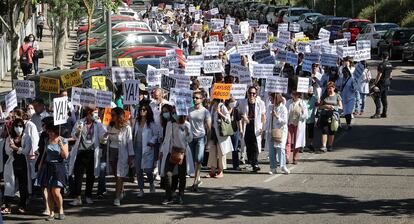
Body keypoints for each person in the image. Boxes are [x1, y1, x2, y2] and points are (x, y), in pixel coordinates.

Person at [69, 107, 106, 206]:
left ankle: (88, 196)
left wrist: (106, 134)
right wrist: (78, 131)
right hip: (81, 152)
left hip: (92, 152)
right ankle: (77, 197)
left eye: (96, 113)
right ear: (89, 113)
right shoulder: (80, 122)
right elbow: (73, 136)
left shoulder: (98, 124)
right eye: (94, 112)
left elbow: (102, 138)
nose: (96, 115)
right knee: (78, 175)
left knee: (91, 175)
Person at [160, 112, 194, 205]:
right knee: (167, 173)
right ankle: (169, 195)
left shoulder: (186, 124)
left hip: (182, 153)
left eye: (176, 113)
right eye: (173, 113)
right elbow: (166, 138)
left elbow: (190, 139)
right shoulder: (170, 124)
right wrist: (162, 150)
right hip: (170, 152)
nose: (174, 114)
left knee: (182, 175)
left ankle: (180, 195)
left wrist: (187, 132)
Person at [37, 123, 69, 221]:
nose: (49, 133)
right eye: (48, 131)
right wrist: (40, 164)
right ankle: (51, 213)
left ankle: (61, 210)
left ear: (55, 132)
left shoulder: (63, 140)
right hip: (47, 166)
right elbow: (44, 153)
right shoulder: (47, 140)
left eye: (51, 132)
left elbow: (65, 156)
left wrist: (61, 146)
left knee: (56, 191)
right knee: (50, 191)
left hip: (58, 167)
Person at [2, 119, 32, 214]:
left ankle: (22, 205)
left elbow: (26, 151)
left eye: (20, 126)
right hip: (12, 164)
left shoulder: (27, 137)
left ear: (23, 127)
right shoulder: (9, 138)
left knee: (23, 186)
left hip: (23, 164)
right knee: (9, 185)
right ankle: (8, 206)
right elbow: (7, 152)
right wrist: (10, 146)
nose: (18, 128)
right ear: (13, 127)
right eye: (16, 126)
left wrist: (16, 148)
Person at [106, 107, 134, 206]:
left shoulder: (127, 128)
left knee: (119, 175)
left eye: (113, 115)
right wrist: (105, 136)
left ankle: (117, 197)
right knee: (115, 174)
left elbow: (130, 143)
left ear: (119, 116)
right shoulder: (110, 126)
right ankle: (121, 190)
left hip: (122, 153)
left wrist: (131, 156)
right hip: (112, 152)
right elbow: (105, 139)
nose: (111, 116)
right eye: (111, 114)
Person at [132, 104, 158, 197]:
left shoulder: (151, 123)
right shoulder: (136, 121)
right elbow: (133, 134)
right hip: (137, 148)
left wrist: (151, 142)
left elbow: (156, 134)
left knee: (147, 170)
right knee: (138, 170)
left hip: (147, 148)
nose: (142, 111)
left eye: (144, 110)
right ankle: (141, 189)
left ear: (148, 111)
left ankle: (151, 183)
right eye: (141, 109)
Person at [238, 86, 266, 172]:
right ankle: (251, 162)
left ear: (256, 94)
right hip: (247, 124)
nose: (251, 95)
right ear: (247, 93)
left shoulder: (260, 103)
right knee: (248, 144)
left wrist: (263, 128)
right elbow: (238, 114)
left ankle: (255, 163)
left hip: (257, 125)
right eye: (250, 93)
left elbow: (263, 116)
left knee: (255, 145)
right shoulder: (242, 102)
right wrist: (243, 117)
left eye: (253, 93)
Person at [188, 91, 211, 191]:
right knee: (193, 160)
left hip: (201, 138)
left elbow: (209, 128)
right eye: (193, 98)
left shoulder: (205, 111)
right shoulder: (189, 110)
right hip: (191, 138)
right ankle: (198, 177)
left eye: (197, 98)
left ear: (202, 99)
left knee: (198, 159)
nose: (194, 99)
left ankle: (195, 182)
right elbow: (186, 123)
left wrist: (209, 142)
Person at [265, 93, 290, 175]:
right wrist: (265, 129)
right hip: (271, 131)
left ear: (276, 99)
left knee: (281, 149)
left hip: (280, 131)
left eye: (271, 98)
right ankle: (273, 168)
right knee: (272, 151)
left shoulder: (283, 108)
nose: (270, 100)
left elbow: (285, 121)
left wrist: (276, 116)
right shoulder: (270, 107)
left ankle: (283, 166)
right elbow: (267, 119)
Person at [207, 99, 233, 178]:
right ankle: (212, 171)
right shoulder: (211, 106)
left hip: (221, 133)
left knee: (221, 152)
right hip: (213, 133)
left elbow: (228, 120)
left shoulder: (222, 106)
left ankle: (220, 171)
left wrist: (219, 112)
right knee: (212, 152)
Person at [318, 81, 343, 152]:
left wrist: (333, 107)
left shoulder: (337, 96)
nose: (329, 90)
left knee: (332, 131)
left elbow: (341, 107)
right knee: (324, 130)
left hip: (333, 116)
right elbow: (319, 106)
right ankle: (323, 146)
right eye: (328, 88)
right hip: (324, 115)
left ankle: (330, 146)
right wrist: (325, 106)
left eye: (331, 88)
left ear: (334, 88)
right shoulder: (324, 95)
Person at [285, 91, 308, 164]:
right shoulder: (288, 102)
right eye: (293, 94)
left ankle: (295, 158)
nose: (294, 95)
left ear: (299, 95)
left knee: (296, 142)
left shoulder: (302, 103)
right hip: (289, 124)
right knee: (288, 141)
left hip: (298, 125)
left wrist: (302, 112)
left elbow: (306, 115)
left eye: (296, 94)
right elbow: (285, 112)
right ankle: (286, 158)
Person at [371, 52, 393, 119]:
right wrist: (389, 81)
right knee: (384, 98)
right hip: (387, 82)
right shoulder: (390, 65)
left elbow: (379, 75)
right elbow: (391, 75)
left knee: (377, 97)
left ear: (382, 57)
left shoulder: (381, 65)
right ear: (388, 57)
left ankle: (377, 113)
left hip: (381, 83)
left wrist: (375, 83)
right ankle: (384, 113)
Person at [304, 88, 318, 152]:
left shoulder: (314, 98)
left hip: (311, 118)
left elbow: (317, 104)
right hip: (302, 119)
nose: (310, 93)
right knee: (303, 132)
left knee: (310, 132)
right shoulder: (302, 98)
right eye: (309, 92)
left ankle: (310, 144)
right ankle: (302, 145)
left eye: (311, 92)